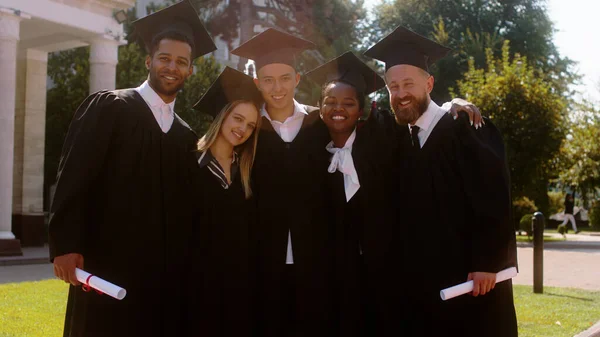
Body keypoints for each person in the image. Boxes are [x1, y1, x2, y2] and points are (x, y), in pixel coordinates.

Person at [48, 1, 216, 336]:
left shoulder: (186, 135)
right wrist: (65, 245)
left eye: (181, 62)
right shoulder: (111, 107)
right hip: (107, 264)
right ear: (148, 60)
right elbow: (75, 176)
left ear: (190, 71)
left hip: (162, 276)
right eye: (164, 58)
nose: (172, 67)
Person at [364, 26, 518, 337]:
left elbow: (493, 194)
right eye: (393, 87)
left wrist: (488, 260)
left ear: (429, 83)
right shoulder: (401, 140)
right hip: (423, 286)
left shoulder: (465, 127)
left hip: (470, 282)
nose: (401, 93)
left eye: (409, 83)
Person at [231, 28, 336, 337]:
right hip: (261, 262)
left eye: (285, 78)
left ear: (298, 79)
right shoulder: (248, 129)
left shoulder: (322, 123)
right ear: (256, 83)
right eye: (268, 80)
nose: (277, 88)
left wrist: (450, 106)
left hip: (316, 260)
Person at [305, 51, 393, 337]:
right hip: (330, 280)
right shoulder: (312, 151)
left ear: (360, 110)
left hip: (378, 277)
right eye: (330, 102)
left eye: (348, 103)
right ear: (319, 108)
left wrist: (455, 103)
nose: (338, 108)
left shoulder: (383, 146)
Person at [186, 66, 262, 337]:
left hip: (241, 291)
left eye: (250, 125)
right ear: (222, 115)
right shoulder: (188, 164)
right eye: (238, 119)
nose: (243, 129)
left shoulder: (247, 171)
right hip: (196, 290)